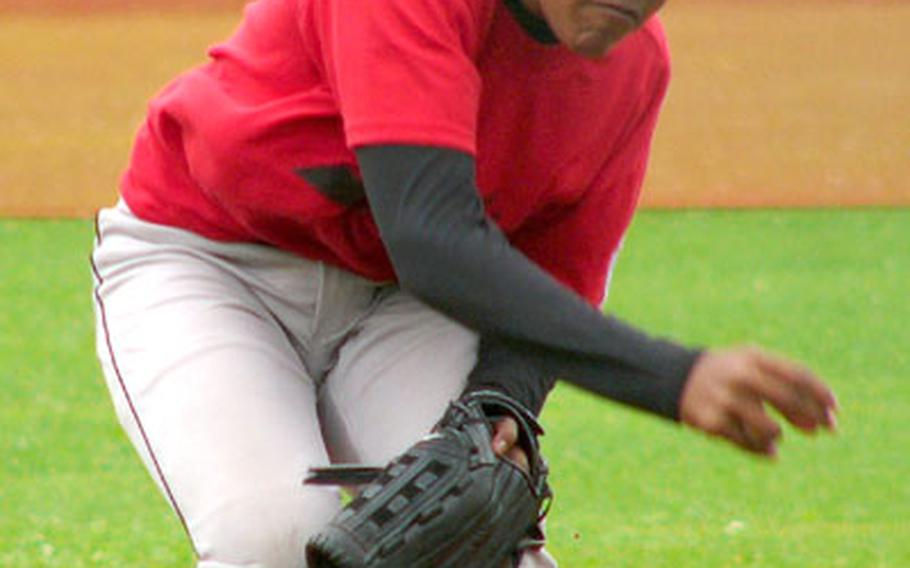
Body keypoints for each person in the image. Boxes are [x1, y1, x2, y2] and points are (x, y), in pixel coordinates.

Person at [90, 0, 839, 566]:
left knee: (483, 545)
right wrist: (674, 379)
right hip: (214, 266)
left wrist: (505, 395)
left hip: (410, 307)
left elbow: (559, 271)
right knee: (274, 534)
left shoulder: (634, 67)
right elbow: (431, 236)